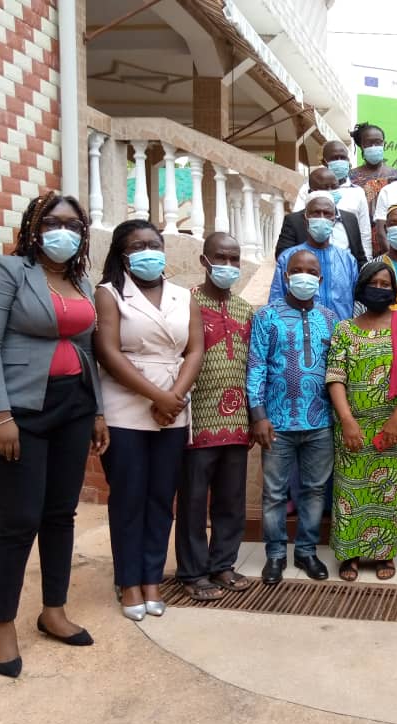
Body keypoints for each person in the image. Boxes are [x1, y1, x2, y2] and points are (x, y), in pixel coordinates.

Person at [0, 192, 108, 677]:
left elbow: (87, 349)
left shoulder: (80, 281)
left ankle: (53, 610)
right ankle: (2, 624)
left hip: (74, 407)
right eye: (53, 222)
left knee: (60, 514)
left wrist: (96, 411)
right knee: (20, 520)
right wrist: (0, 415)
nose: (63, 232)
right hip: (21, 410)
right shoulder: (7, 271)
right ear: (33, 226)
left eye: (73, 225)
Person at [94, 219, 205, 622]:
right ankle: (129, 582)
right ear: (123, 255)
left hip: (173, 407)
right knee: (128, 497)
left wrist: (174, 397)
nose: (148, 252)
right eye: (138, 246)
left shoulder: (183, 296)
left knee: (161, 497)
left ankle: (152, 578)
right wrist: (157, 396)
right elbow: (107, 351)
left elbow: (195, 350)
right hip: (126, 406)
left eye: (154, 245)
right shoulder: (109, 293)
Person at [326, 261, 397, 582]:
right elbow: (335, 376)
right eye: (373, 283)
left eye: (386, 285)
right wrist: (347, 420)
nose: (380, 289)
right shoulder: (345, 330)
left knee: (387, 489)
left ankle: (383, 552)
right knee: (349, 489)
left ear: (394, 291)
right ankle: (349, 553)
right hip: (352, 425)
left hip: (393, 427)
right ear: (361, 288)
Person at [249, 249, 339, 585]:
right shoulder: (267, 316)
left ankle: (306, 551)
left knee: (314, 491)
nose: (304, 275)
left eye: (311, 271)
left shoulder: (330, 319)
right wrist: (258, 414)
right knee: (274, 493)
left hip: (320, 423)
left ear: (320, 279)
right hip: (276, 423)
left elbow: (337, 371)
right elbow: (256, 366)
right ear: (286, 276)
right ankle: (275, 554)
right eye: (297, 270)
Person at [173, 233, 253, 602]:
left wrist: (253, 416)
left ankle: (223, 564)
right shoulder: (185, 303)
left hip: (237, 421)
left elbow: (253, 365)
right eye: (221, 258)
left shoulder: (245, 309)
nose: (229, 266)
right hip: (196, 419)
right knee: (193, 500)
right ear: (204, 260)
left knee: (231, 499)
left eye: (234, 259)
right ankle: (192, 572)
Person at [270, 191, 359, 320]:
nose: (322, 218)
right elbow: (275, 303)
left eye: (327, 214)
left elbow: (356, 303)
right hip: (298, 330)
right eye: (316, 213)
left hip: (341, 331)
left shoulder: (348, 260)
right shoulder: (288, 258)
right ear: (305, 218)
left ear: (334, 220)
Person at [293, 141, 372, 258]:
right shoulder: (307, 189)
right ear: (324, 162)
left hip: (345, 260)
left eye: (343, 158)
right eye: (335, 158)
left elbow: (364, 232)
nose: (339, 161)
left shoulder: (357, 192)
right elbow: (296, 223)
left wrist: (366, 261)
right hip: (312, 259)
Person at [279, 168, 368, 268]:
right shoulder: (294, 221)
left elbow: (360, 258)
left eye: (334, 187)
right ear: (311, 192)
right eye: (325, 188)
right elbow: (283, 257)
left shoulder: (350, 219)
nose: (330, 191)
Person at [349, 121, 397, 220]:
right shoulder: (350, 177)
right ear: (361, 146)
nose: (373, 146)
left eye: (378, 142)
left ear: (384, 144)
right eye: (368, 143)